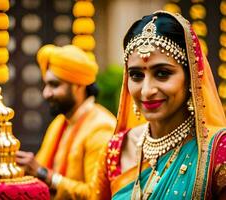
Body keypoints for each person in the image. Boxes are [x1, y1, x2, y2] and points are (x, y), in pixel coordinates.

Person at [93, 11, 226, 200]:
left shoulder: (217, 150)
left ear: (191, 78)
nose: (146, 90)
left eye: (162, 73)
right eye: (136, 75)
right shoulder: (117, 149)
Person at [16, 44, 116, 199]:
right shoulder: (60, 122)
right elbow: (37, 168)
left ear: (78, 86)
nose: (46, 93)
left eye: (54, 85)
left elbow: (96, 194)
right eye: (46, 84)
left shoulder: (101, 127)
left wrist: (44, 175)